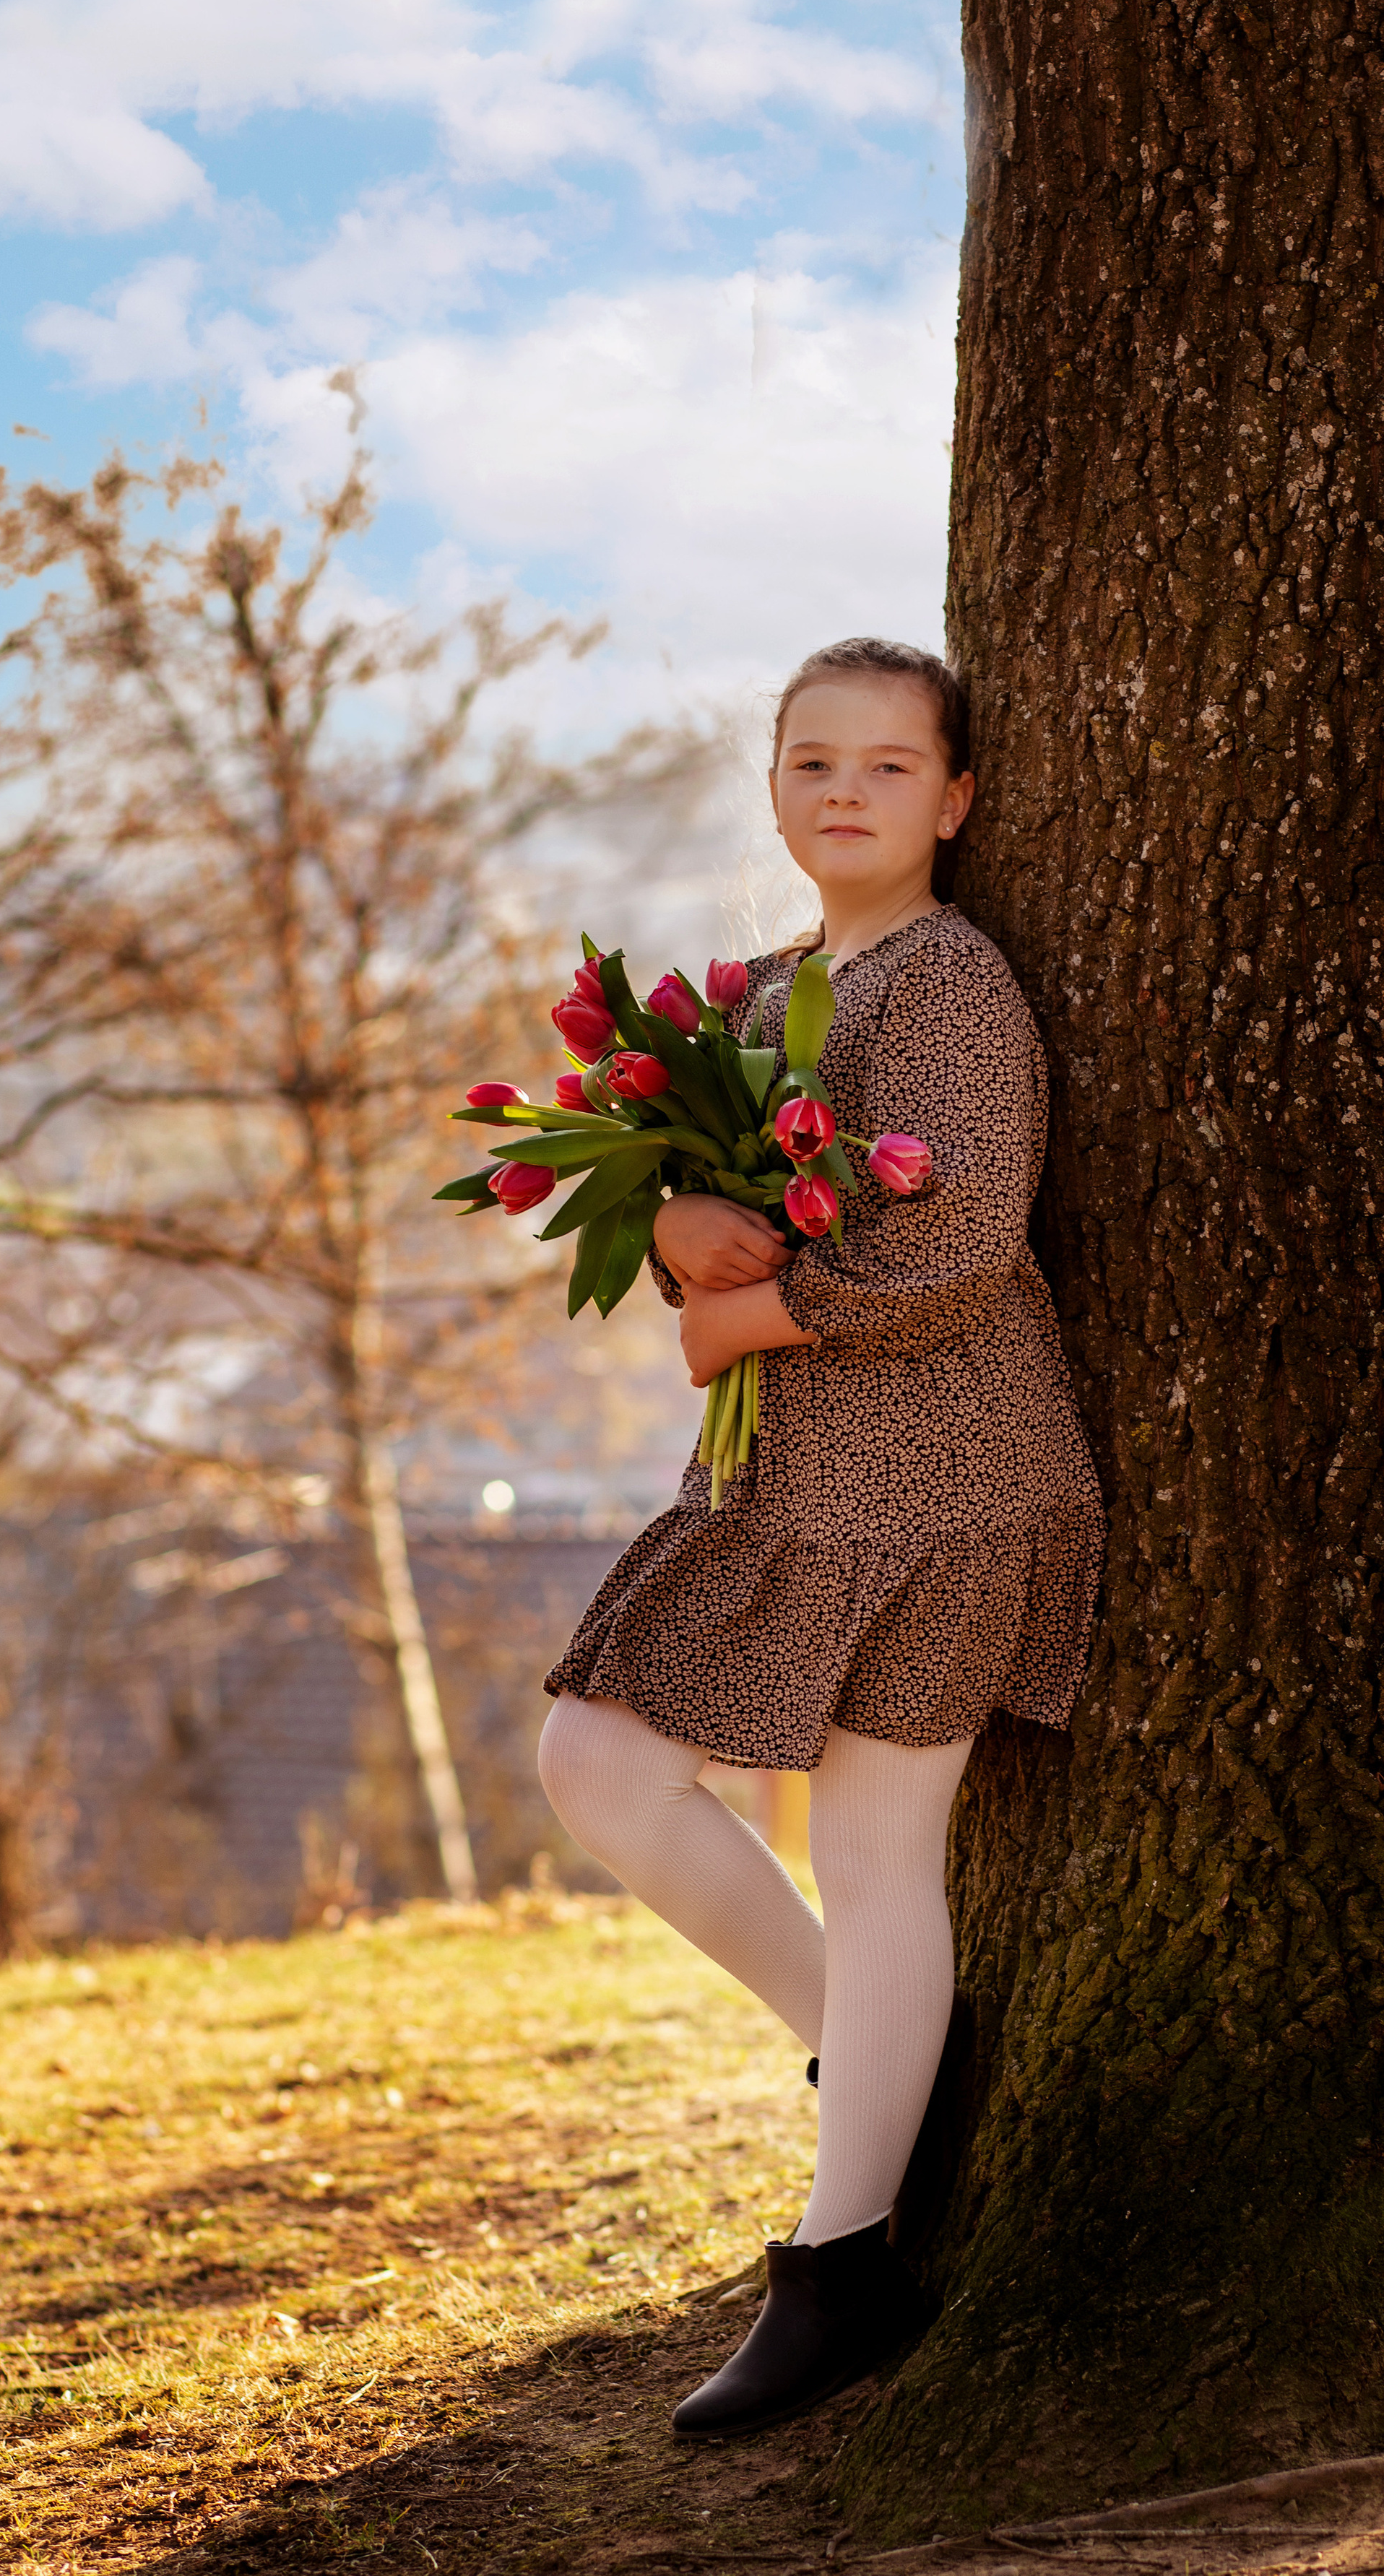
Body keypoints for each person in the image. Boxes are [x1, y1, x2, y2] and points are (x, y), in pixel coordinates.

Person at [536, 636, 1106, 2437]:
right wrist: (690, 1210)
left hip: (944, 1470)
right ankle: (878, 2058)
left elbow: (955, 1245)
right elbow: (702, 1199)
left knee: (875, 1854)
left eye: (883, 765)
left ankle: (841, 2258)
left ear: (953, 802)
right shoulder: (760, 993)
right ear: (773, 793)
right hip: (787, 1478)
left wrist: (742, 1318)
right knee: (597, 1759)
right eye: (808, 764)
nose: (842, 791)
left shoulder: (948, 983)